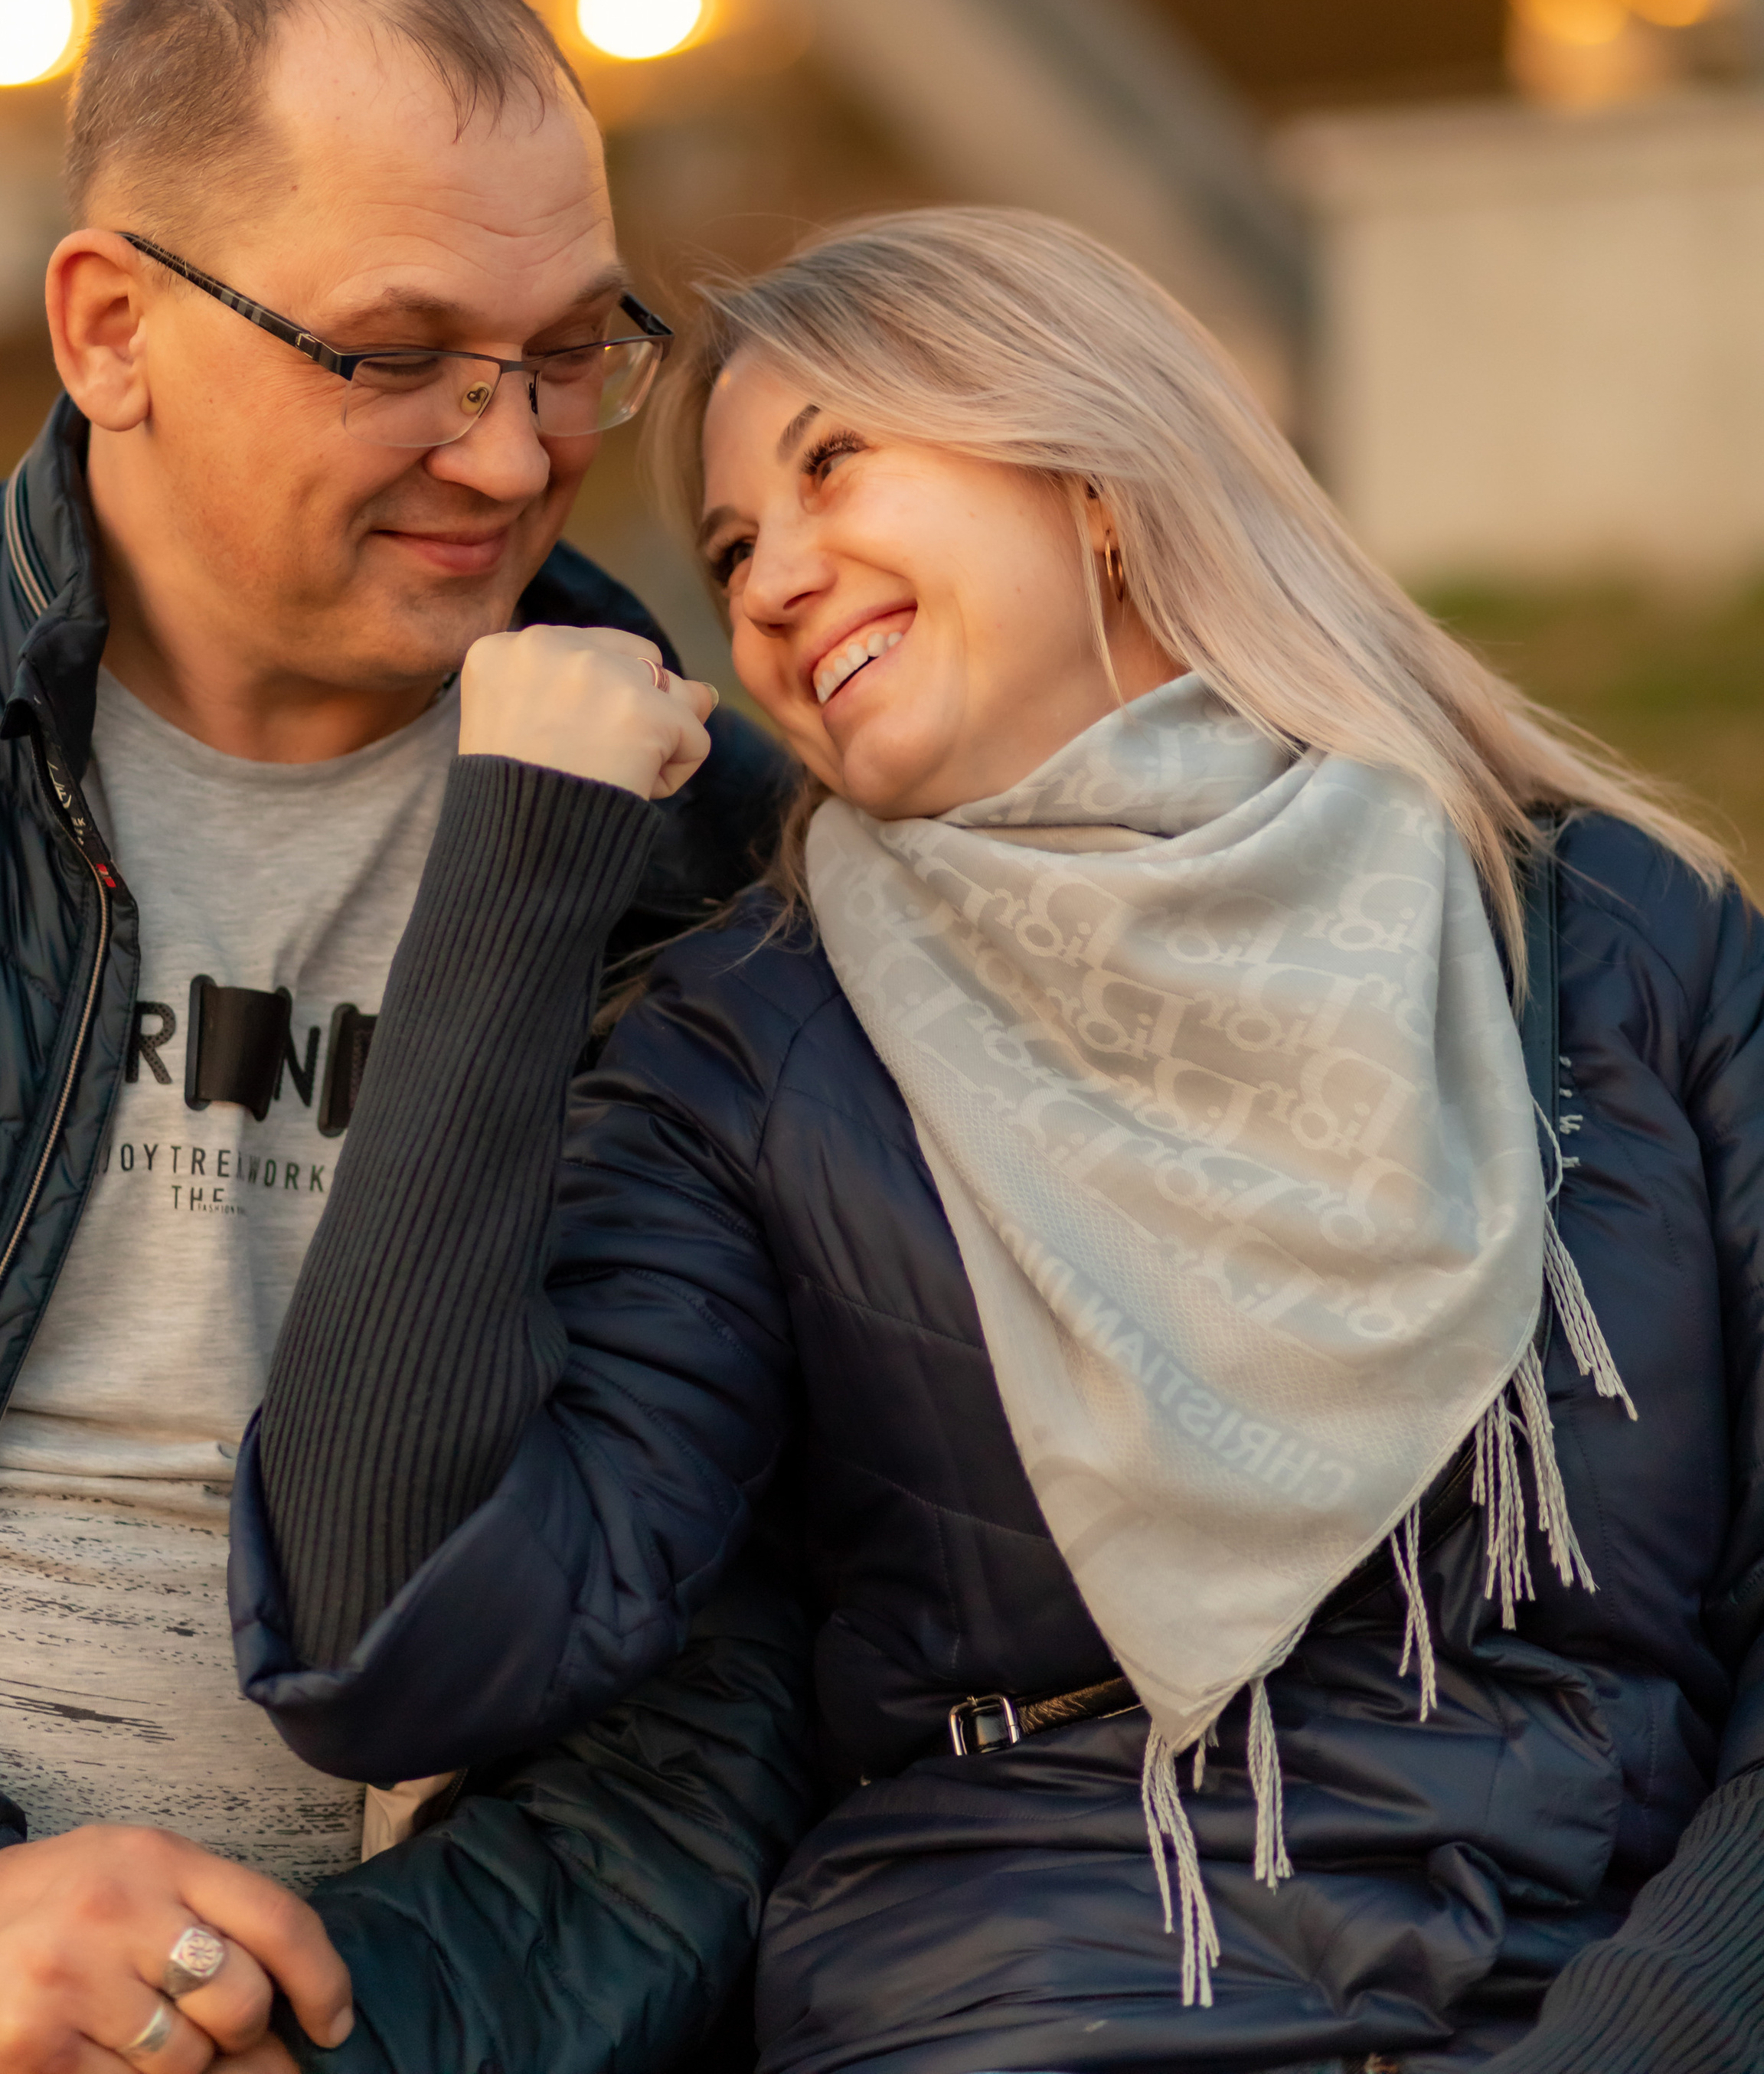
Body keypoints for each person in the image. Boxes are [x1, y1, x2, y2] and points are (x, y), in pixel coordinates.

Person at [241, 204, 1764, 2074]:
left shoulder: (1606, 937)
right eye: (728, 551)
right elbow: (394, 1638)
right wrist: (514, 884)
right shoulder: (756, 1053)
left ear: (1095, 477)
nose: (776, 579)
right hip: (1029, 2002)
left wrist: (1657, 2036)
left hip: (1604, 1990)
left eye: (834, 467)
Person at [0, 0, 808, 2074]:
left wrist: (370, 2027)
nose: (515, 451)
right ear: (110, 327)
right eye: (399, 352)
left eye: (566, 350)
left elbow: (741, 1672)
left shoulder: (716, 862)